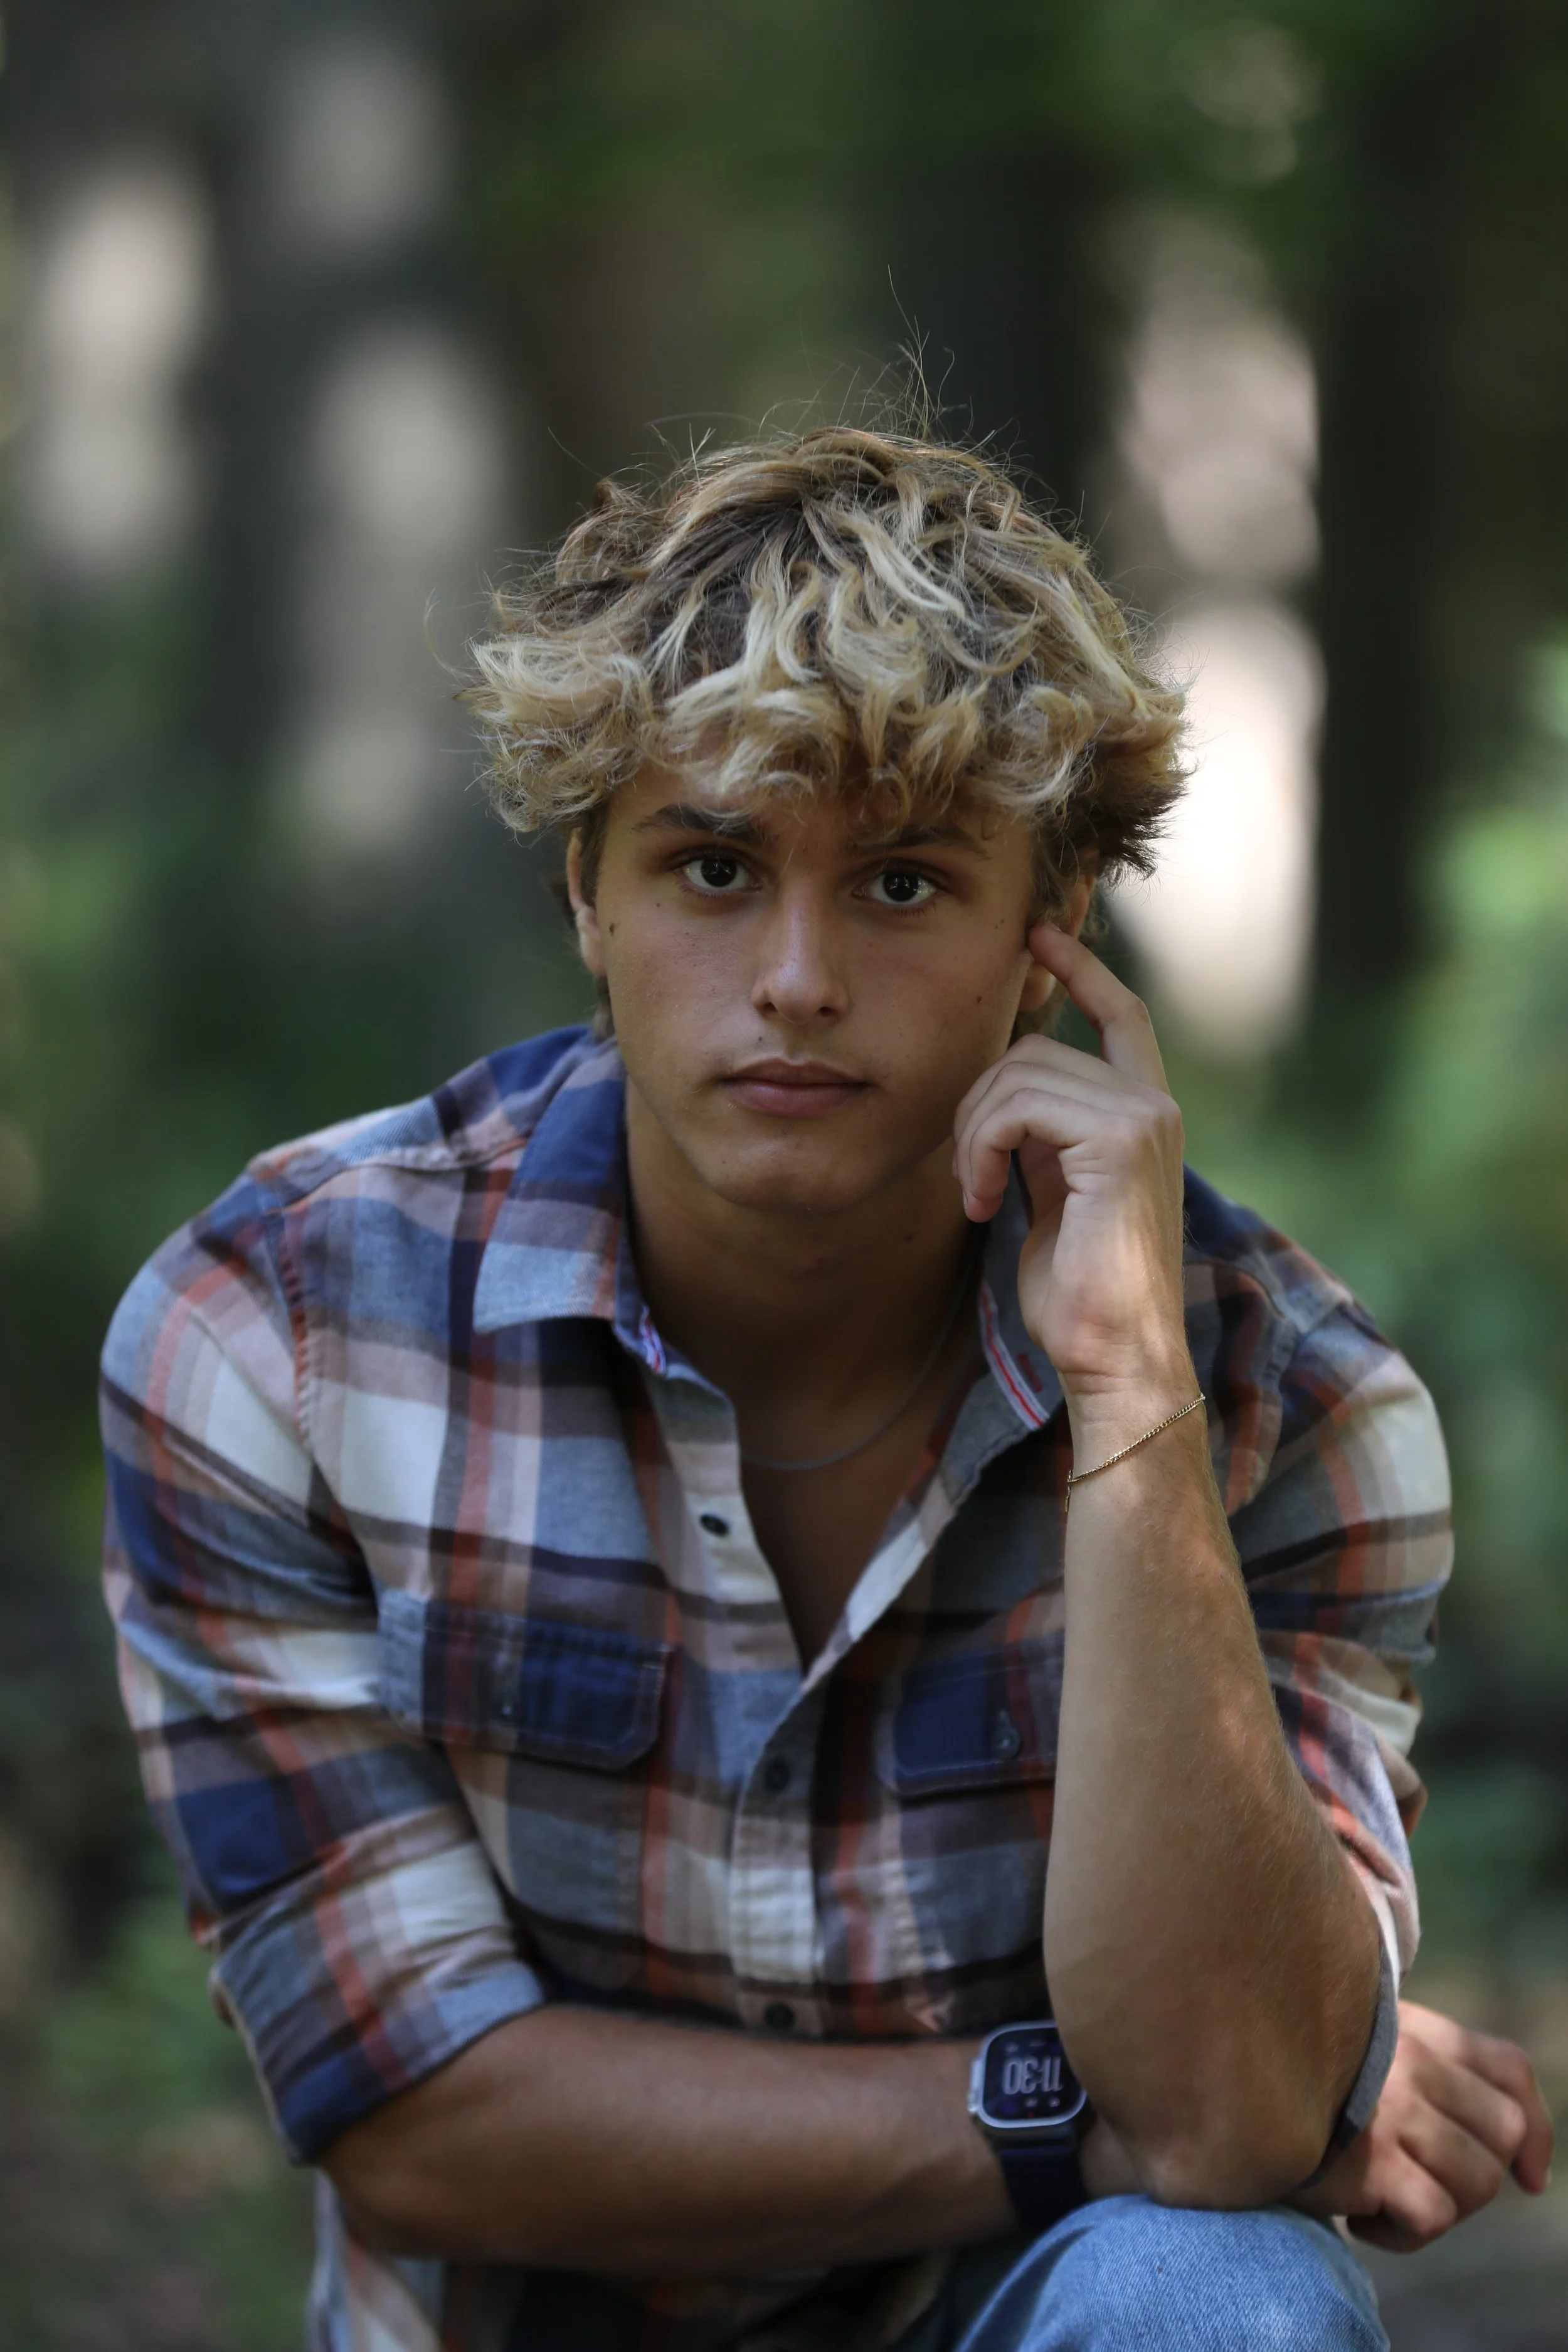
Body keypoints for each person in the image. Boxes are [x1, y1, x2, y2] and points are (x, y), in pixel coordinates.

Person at [100, 423, 1551, 2352]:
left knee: (1217, 2290)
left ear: (1050, 945)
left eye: (898, 884)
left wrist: (1128, 1400)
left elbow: (1221, 2113)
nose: (791, 976)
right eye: (710, 866)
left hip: (1038, 2315)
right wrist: (1071, 2117)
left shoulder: (1288, 1398)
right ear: (585, 901)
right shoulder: (275, 1329)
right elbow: (418, 2121)